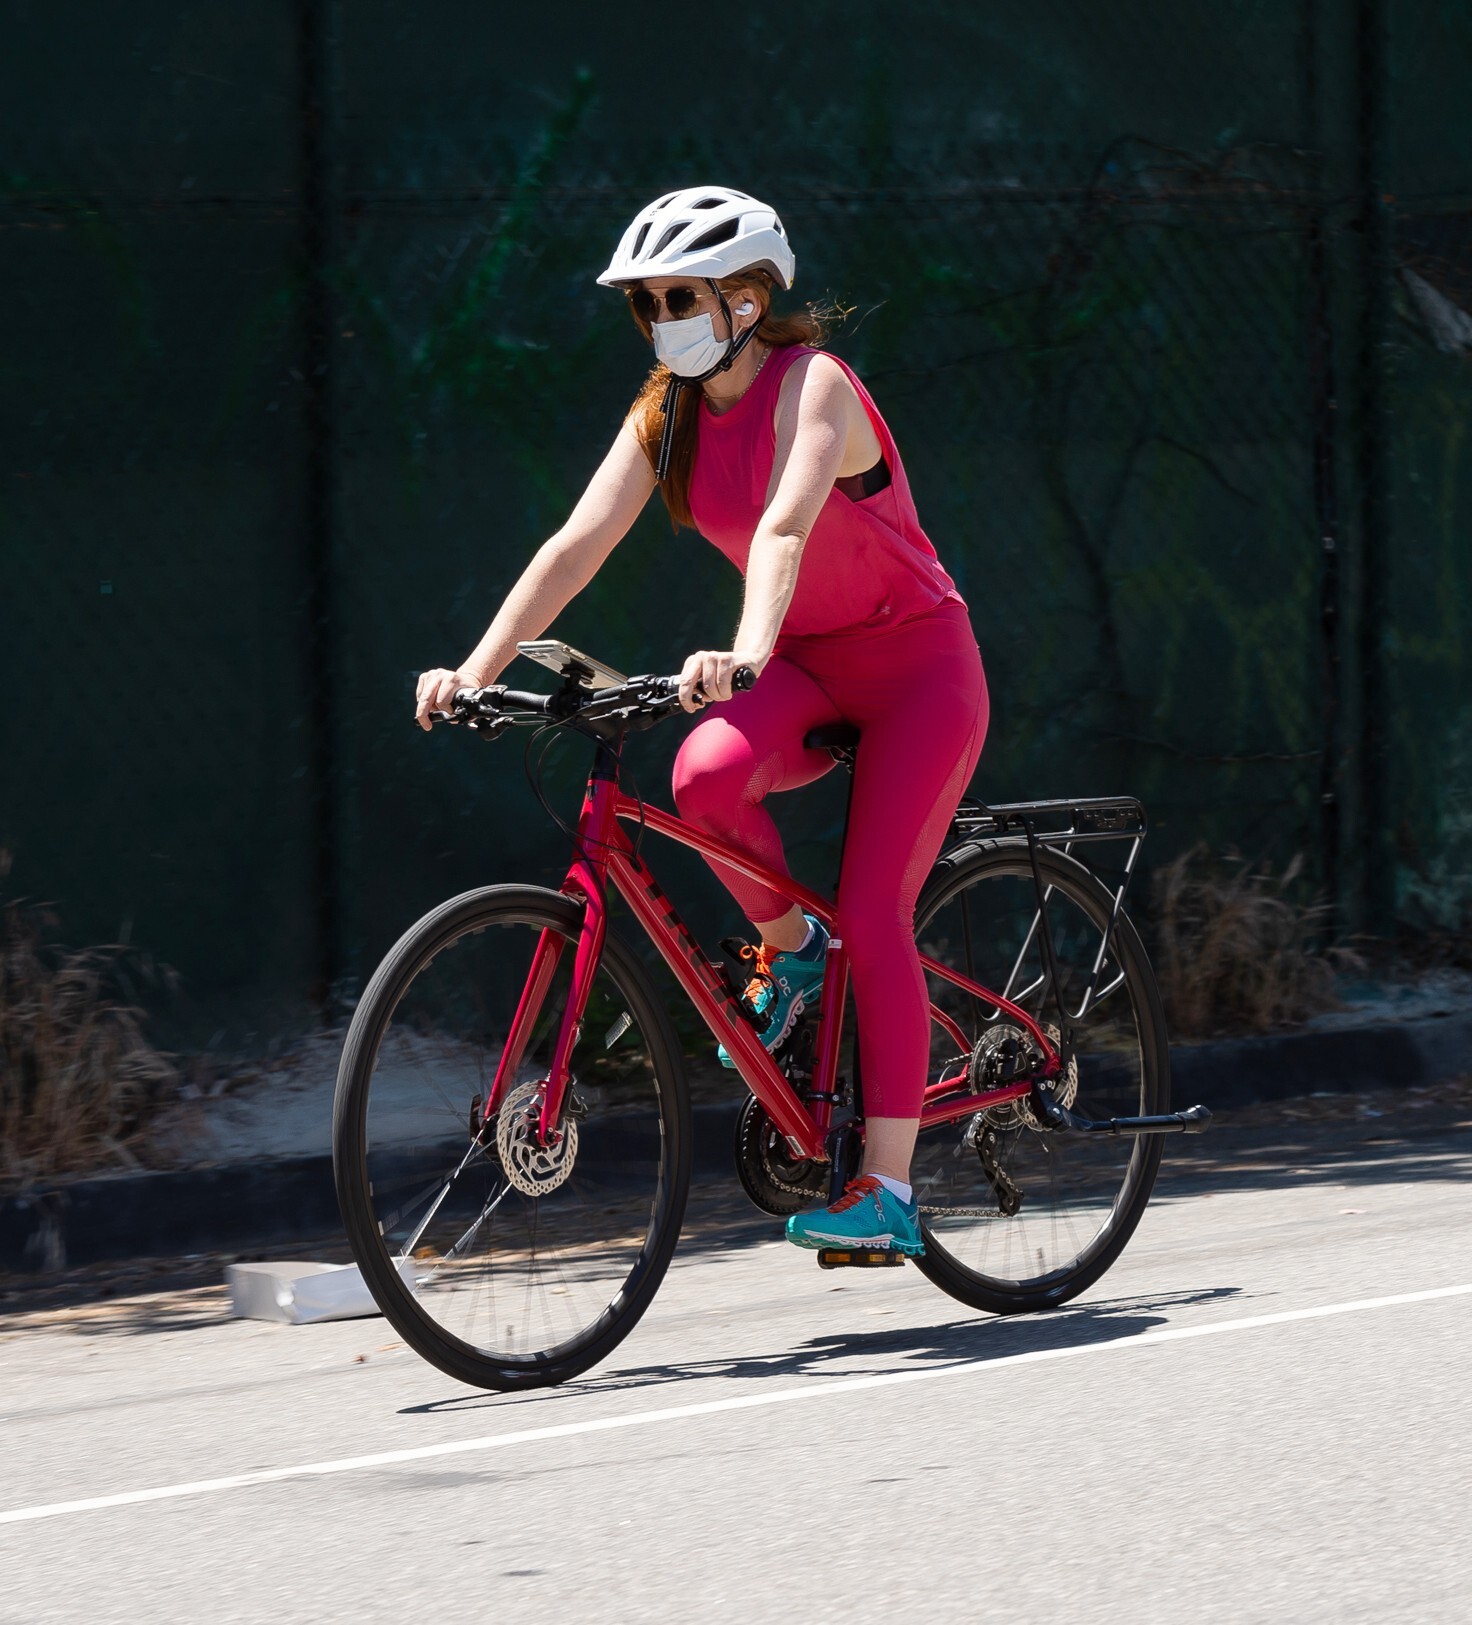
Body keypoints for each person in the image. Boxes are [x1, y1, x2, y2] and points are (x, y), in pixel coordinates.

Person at [415, 186, 988, 1257]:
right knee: (702, 779)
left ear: (745, 298)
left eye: (678, 297)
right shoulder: (665, 414)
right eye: (645, 304)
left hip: (919, 670)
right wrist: (475, 669)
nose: (659, 319)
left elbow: (783, 528)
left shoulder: (815, 385)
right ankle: (792, 953)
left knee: (876, 909)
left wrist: (747, 647)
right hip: (809, 665)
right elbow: (574, 546)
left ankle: (890, 1189)